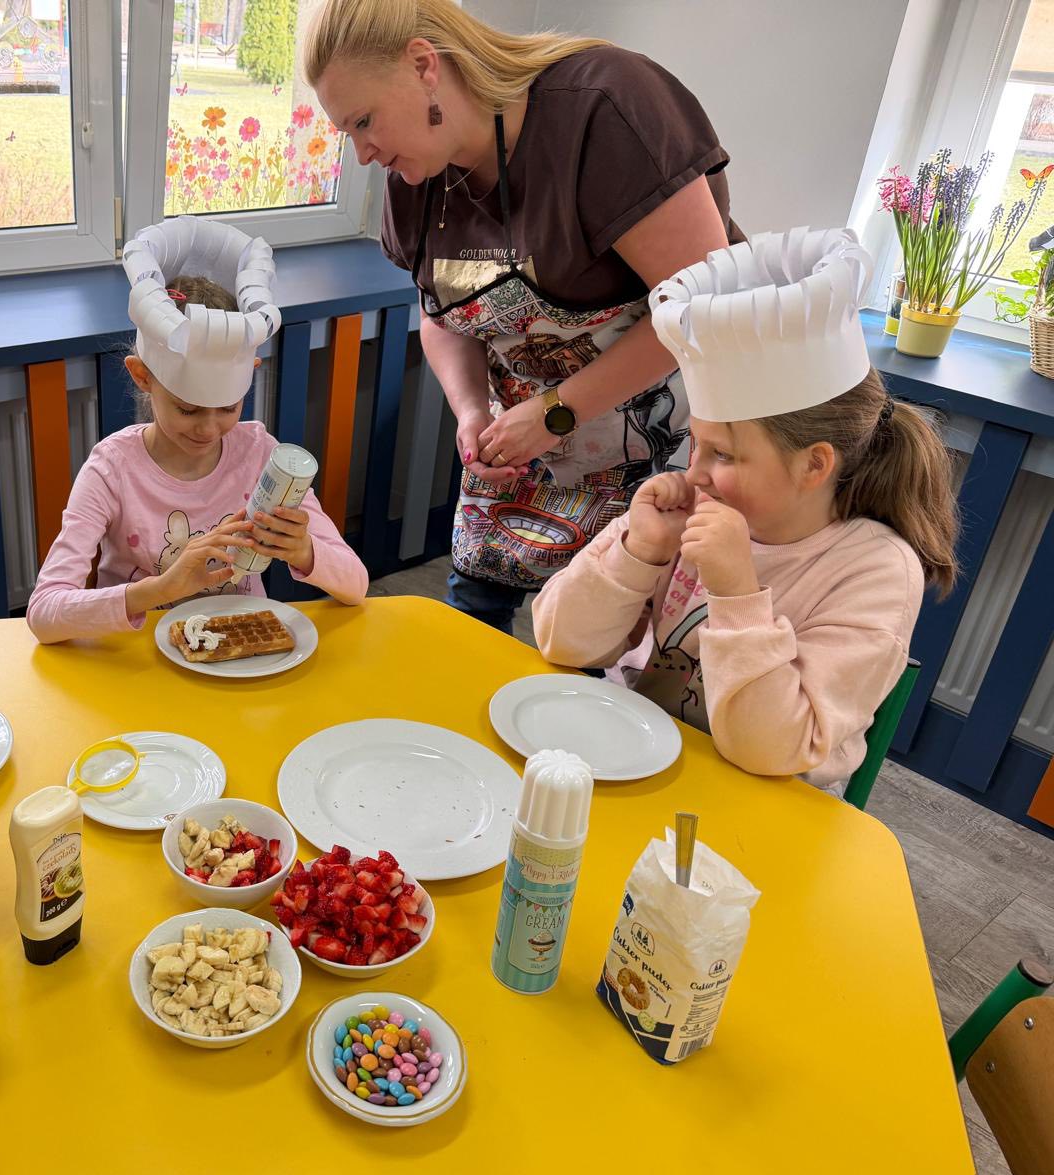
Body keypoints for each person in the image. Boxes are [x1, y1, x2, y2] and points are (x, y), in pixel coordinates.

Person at [306, 0, 744, 633]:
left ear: (424, 65)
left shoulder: (604, 109)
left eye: (364, 121)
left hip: (660, 436)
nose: (363, 154)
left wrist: (556, 412)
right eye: (348, 132)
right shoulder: (417, 178)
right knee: (471, 613)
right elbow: (443, 315)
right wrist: (471, 411)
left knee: (611, 636)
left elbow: (701, 311)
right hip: (523, 438)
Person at [532, 229, 959, 789]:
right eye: (696, 445)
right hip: (640, 756)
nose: (693, 474)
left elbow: (773, 750)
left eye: (724, 454)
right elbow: (562, 642)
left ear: (814, 465)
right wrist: (639, 552)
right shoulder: (693, 508)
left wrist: (736, 591)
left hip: (766, 803)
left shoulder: (875, 571)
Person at [26, 215, 367, 643]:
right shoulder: (112, 469)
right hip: (137, 662)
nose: (208, 429)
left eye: (228, 407)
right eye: (187, 410)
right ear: (143, 376)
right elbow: (44, 613)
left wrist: (305, 551)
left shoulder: (259, 455)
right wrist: (160, 589)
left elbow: (357, 585)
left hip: (236, 655)